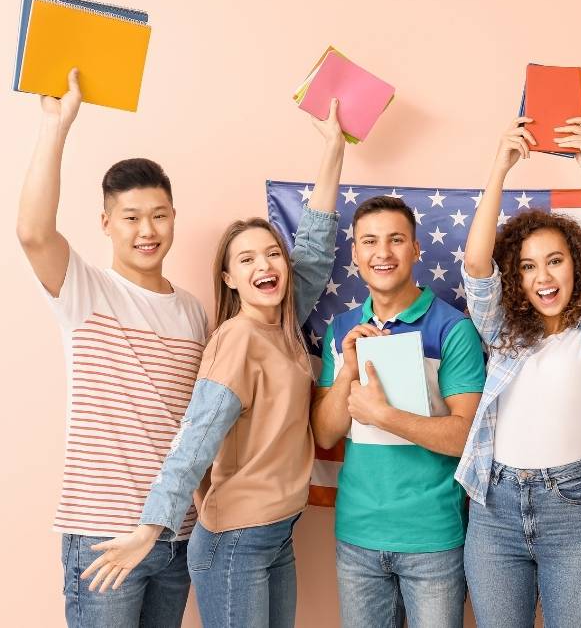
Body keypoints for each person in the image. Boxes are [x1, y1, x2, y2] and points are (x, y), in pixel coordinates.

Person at [29, 88, 345, 627]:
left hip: (177, 530)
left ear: (174, 217)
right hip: (106, 530)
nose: (146, 230)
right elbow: (34, 233)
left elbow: (301, 276)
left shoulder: (197, 316)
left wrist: (333, 151)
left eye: (158, 215)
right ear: (106, 223)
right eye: (131, 217)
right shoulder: (85, 292)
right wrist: (55, 127)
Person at [456, 116, 581, 628]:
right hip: (495, 509)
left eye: (555, 261)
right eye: (528, 266)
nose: (543, 276)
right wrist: (500, 168)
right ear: (516, 278)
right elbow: (475, 267)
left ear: (576, 265)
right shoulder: (502, 333)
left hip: (572, 508)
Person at [311, 194, 486, 628]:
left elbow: (465, 437)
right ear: (355, 254)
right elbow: (326, 434)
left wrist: (384, 415)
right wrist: (349, 370)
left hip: (432, 538)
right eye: (369, 241)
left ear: (416, 248)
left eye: (396, 239)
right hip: (358, 535)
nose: (383, 252)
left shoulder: (454, 329)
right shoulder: (340, 329)